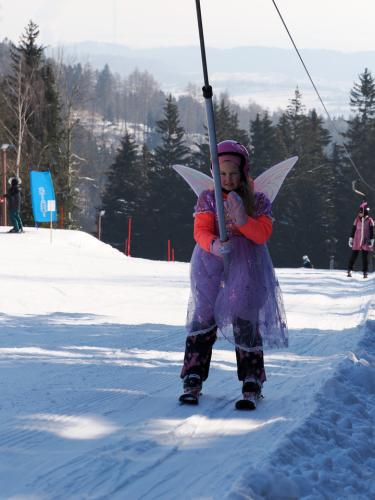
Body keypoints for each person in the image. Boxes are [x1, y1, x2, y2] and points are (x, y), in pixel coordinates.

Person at [180, 140, 288, 409]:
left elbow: (262, 234)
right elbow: (200, 230)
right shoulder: (208, 198)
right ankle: (194, 374)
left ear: (243, 172)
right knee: (204, 315)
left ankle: (252, 377)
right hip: (211, 262)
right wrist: (213, 244)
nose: (227, 179)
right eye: (222, 174)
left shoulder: (258, 200)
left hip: (247, 264)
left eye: (233, 173)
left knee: (244, 316)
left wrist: (243, 220)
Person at [347, 201, 374, 278]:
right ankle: (350, 270)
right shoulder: (357, 219)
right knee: (353, 256)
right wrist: (351, 238)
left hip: (366, 240)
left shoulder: (369, 220)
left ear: (364, 212)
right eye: (359, 212)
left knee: (364, 258)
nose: (359, 214)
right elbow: (353, 229)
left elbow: (372, 231)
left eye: (361, 212)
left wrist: (372, 240)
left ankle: (365, 272)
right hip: (357, 240)